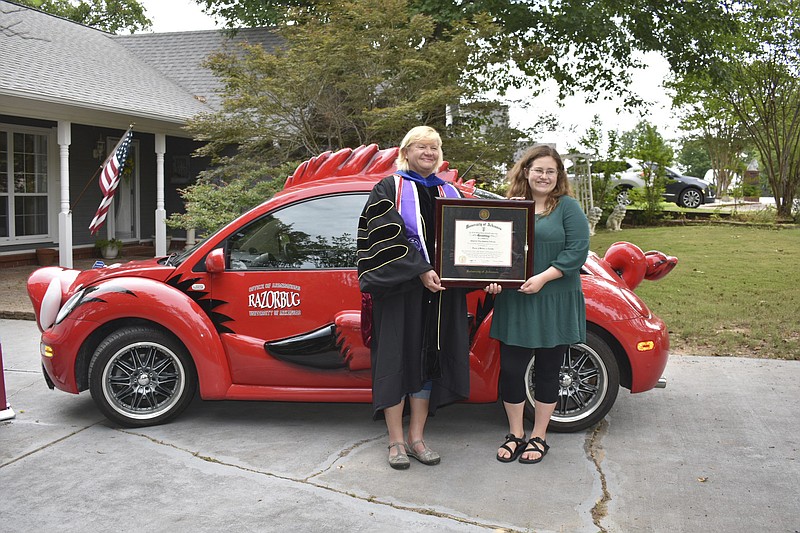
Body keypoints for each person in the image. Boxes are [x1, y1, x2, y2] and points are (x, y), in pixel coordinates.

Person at [357, 126, 470, 470]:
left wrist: (488, 276)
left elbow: (468, 243)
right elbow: (379, 241)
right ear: (406, 151)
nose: (429, 152)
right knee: (395, 361)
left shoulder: (450, 191)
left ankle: (417, 437)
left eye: (434, 147)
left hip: (441, 297)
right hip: (400, 293)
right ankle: (395, 442)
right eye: (422, 146)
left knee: (427, 361)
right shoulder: (389, 187)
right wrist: (420, 269)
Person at [485, 144, 590, 464]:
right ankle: (516, 433)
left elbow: (577, 251)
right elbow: (492, 252)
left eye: (550, 171)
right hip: (515, 300)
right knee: (512, 370)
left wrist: (543, 277)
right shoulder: (511, 207)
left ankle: (539, 436)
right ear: (526, 172)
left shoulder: (568, 208)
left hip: (553, 300)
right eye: (538, 170)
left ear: (558, 176)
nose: (544, 176)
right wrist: (490, 279)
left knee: (547, 371)